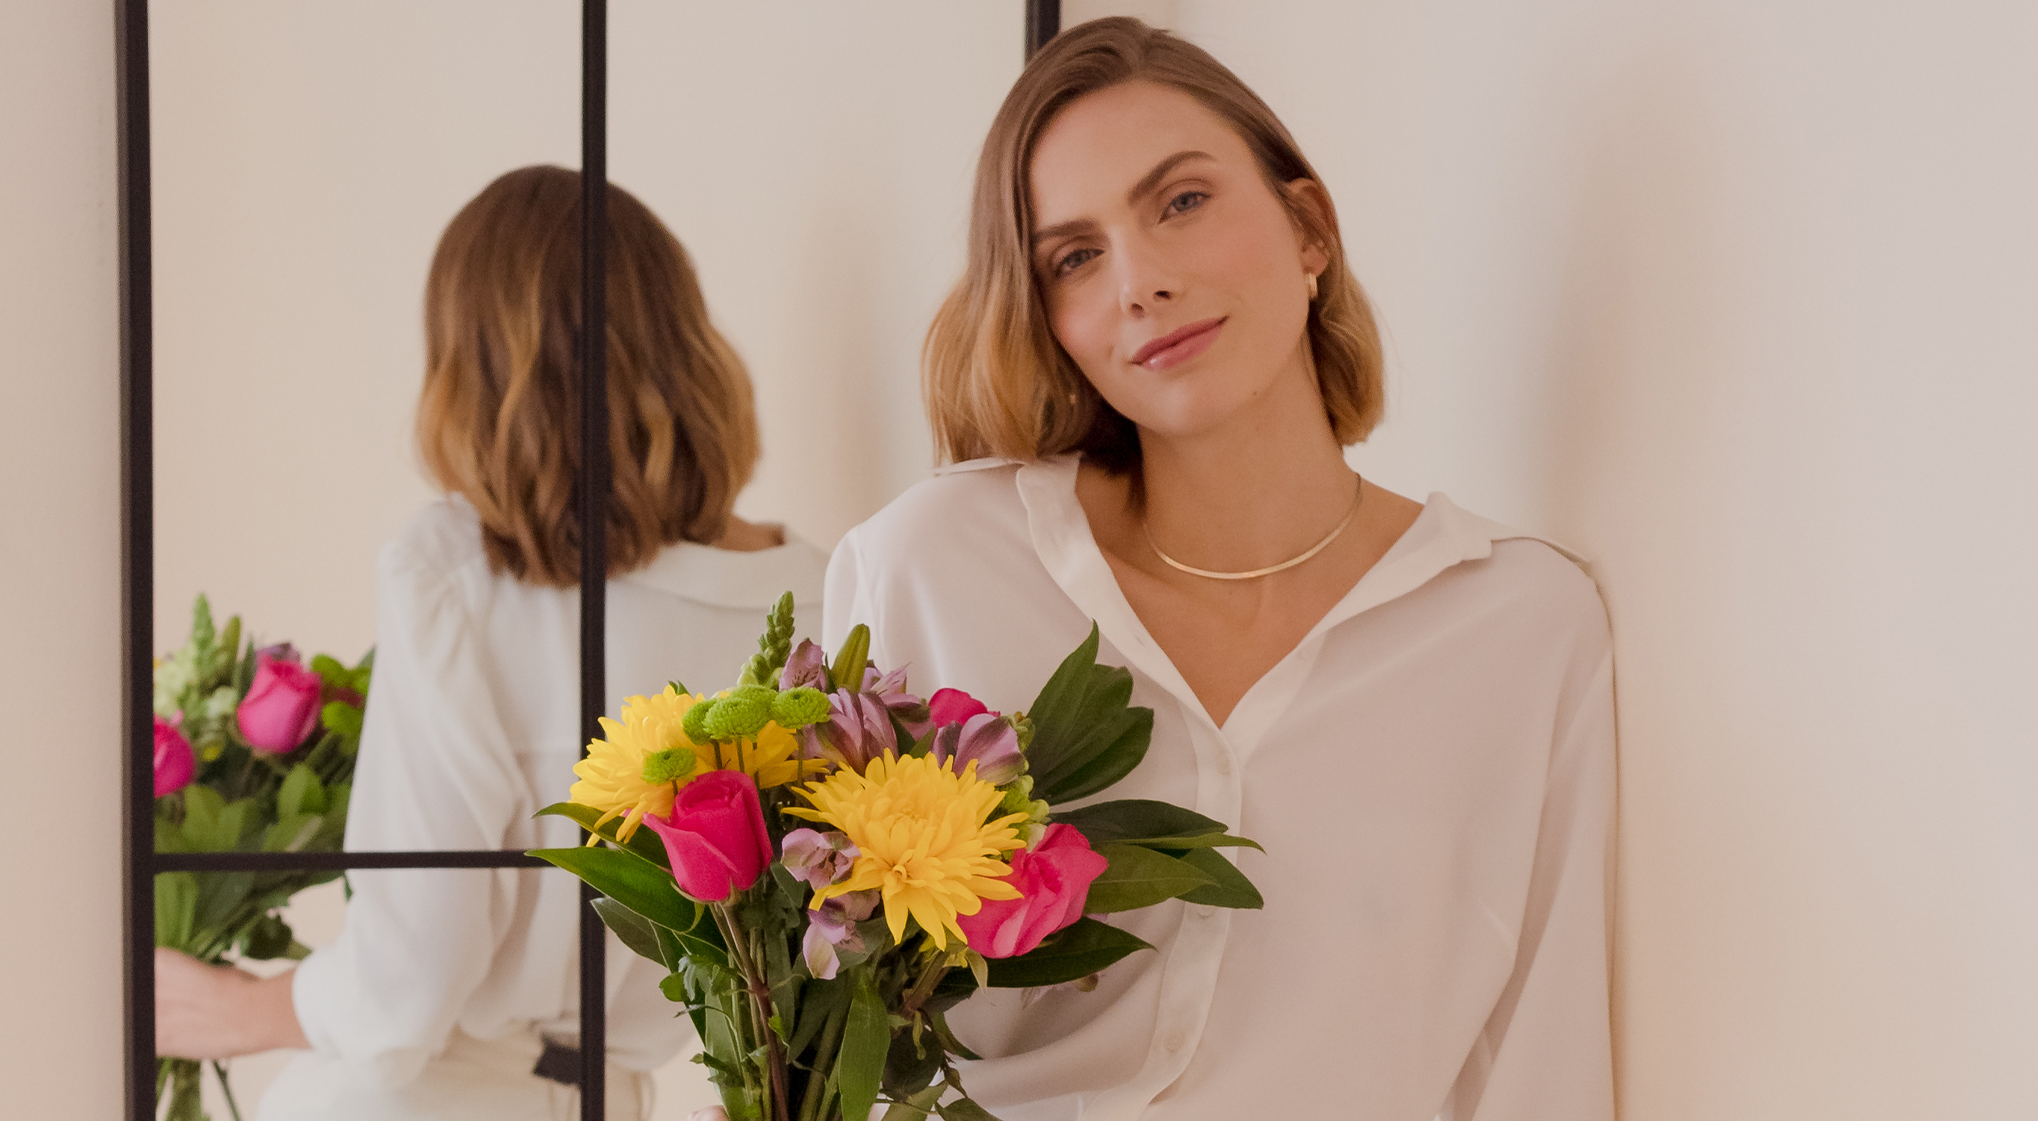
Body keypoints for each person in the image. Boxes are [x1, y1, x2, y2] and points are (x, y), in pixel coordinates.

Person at [812, 18, 1619, 1120]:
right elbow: (818, 1025)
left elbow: (1545, 1056)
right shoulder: (933, 569)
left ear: (1307, 227)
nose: (1139, 281)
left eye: (1179, 202)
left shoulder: (1520, 626)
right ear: (1047, 316)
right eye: (1074, 256)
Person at [156, 165, 829, 1121]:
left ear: (470, 371)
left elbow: (411, 976)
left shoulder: (453, 579)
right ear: (682, 347)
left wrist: (228, 1009)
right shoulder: (813, 597)